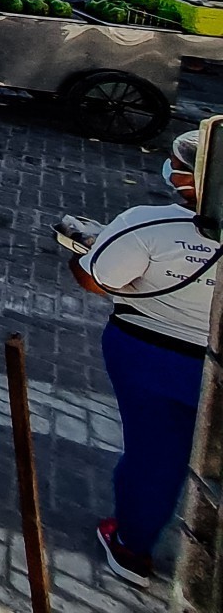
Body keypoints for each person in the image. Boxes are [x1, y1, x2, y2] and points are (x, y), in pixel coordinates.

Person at [72, 131, 220, 588]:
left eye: (177, 164)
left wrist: (83, 251)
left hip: (151, 357)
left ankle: (132, 549)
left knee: (156, 454)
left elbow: (97, 281)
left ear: (197, 177)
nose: (171, 170)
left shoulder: (150, 225)